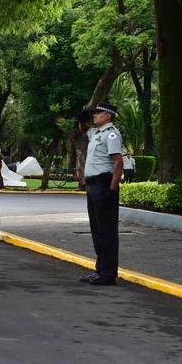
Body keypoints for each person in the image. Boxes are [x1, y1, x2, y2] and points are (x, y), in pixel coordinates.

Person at [80, 102, 123, 286]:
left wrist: (112, 189)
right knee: (97, 230)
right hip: (93, 186)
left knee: (107, 231)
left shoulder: (112, 134)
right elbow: (83, 129)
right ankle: (100, 269)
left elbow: (118, 162)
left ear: (108, 115)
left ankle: (108, 273)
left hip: (104, 185)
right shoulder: (95, 133)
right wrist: (81, 117)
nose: (94, 115)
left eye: (97, 113)